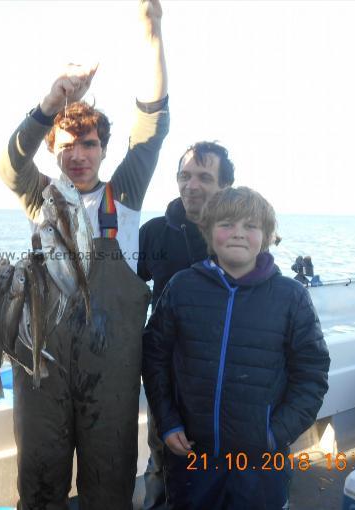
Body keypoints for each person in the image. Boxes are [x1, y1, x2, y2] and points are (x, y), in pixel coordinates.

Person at [0, 1, 169, 507]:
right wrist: (49, 103)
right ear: (52, 149)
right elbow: (8, 166)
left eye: (89, 144)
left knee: (109, 490)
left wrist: (153, 34)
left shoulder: (128, 195)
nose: (77, 154)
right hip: (43, 371)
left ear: (103, 150)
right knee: (41, 486)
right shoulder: (39, 196)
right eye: (66, 144)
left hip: (111, 378)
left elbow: (153, 124)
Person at [142, 187, 330, 510]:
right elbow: (154, 357)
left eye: (251, 226)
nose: (238, 234)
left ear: (267, 235)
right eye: (227, 224)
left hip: (261, 465)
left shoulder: (291, 297)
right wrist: (167, 420)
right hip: (192, 459)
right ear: (208, 231)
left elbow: (312, 375)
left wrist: (275, 434)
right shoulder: (181, 287)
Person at [137, 142, 235, 510]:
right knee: (161, 466)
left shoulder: (236, 237)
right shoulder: (153, 233)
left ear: (224, 185)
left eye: (204, 177)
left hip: (224, 380)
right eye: (185, 176)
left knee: (219, 475)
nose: (191, 185)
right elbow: (131, 285)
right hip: (167, 377)